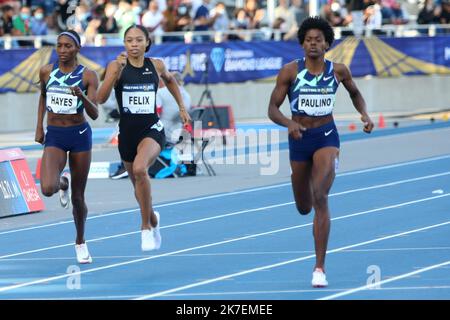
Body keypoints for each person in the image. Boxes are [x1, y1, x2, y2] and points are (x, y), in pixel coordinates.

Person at [267, 16, 374, 288]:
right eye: (308, 40)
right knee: (304, 207)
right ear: (302, 44)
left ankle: (319, 267)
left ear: (327, 44)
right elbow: (272, 109)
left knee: (320, 196)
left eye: (318, 40)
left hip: (327, 136)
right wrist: (289, 122)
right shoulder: (290, 72)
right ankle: (308, 210)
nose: (313, 44)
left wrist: (364, 114)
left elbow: (355, 93)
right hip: (299, 138)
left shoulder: (338, 71)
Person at [97, 25, 191, 251]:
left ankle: (145, 227)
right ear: (125, 44)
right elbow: (100, 98)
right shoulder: (116, 66)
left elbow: (170, 80)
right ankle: (154, 219)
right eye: (129, 40)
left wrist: (181, 107)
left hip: (152, 130)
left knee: (140, 170)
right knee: (137, 186)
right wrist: (114, 73)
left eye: (139, 40)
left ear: (147, 43)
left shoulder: (156, 65)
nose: (134, 44)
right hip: (127, 135)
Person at [35, 30, 99, 264]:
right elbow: (43, 97)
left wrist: (81, 96)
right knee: (48, 188)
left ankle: (80, 241)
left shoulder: (88, 76)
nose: (62, 50)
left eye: (67, 46)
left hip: (79, 134)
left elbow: (94, 113)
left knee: (78, 198)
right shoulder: (46, 71)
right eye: (59, 46)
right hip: (55, 135)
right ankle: (63, 181)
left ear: (77, 49)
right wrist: (39, 127)